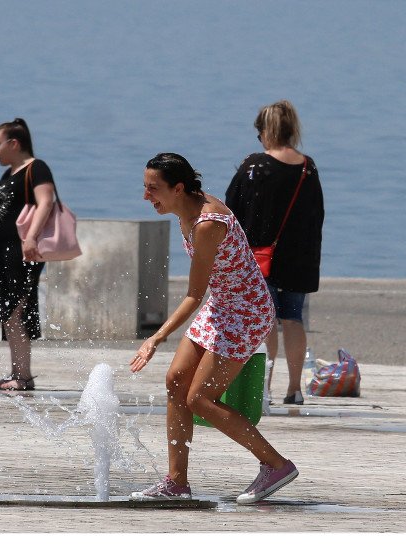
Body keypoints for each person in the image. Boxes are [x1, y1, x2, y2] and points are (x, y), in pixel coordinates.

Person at [129, 153, 298, 504]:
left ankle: (276, 464)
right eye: (145, 188)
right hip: (223, 304)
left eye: (153, 189)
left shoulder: (207, 224)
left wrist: (155, 339)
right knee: (176, 381)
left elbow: (193, 294)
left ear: (178, 188)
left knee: (200, 399)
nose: (147, 196)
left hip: (246, 312)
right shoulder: (182, 210)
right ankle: (177, 482)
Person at [225, 100, 324, 405]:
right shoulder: (308, 166)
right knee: (293, 319)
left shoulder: (255, 165)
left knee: (265, 321)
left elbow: (233, 208)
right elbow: (316, 214)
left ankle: (262, 388)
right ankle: (294, 390)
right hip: (300, 258)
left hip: (260, 257)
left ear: (265, 131)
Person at [0, 118, 55, 391]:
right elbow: (7, 211)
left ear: (13, 143)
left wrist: (32, 237)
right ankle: (17, 371)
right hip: (3, 250)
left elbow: (45, 201)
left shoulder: (36, 168)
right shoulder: (10, 173)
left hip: (22, 250)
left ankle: (23, 376)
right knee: (8, 310)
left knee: (18, 309)